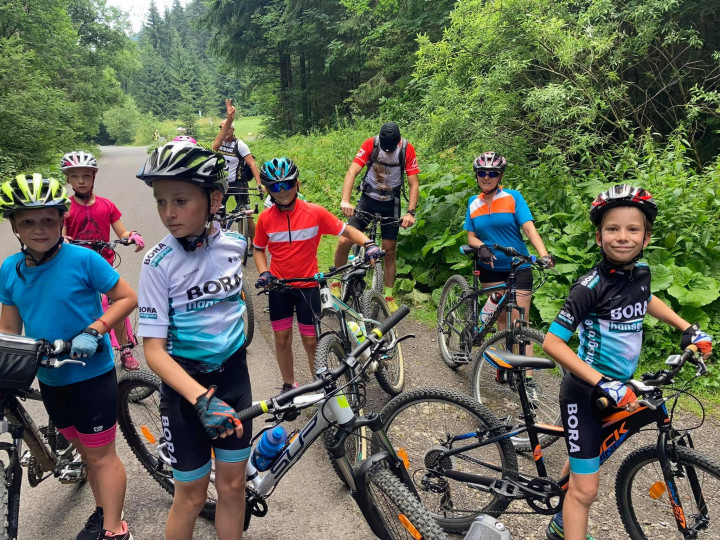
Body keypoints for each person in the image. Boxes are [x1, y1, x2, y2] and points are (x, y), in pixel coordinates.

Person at [542, 185, 713, 540]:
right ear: (598, 236)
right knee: (586, 492)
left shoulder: (641, 273)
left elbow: (645, 299)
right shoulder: (589, 287)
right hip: (585, 393)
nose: (623, 237)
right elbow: (552, 342)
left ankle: (561, 517)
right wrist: (603, 382)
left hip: (620, 387)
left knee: (587, 456)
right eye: (613, 229)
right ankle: (566, 520)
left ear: (646, 237)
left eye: (633, 229)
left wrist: (687, 328)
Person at [0, 174, 136, 540]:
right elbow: (9, 329)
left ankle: (115, 530)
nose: (39, 229)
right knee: (85, 452)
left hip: (91, 375)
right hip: (51, 379)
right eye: (28, 221)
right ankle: (103, 511)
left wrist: (95, 331)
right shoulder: (9, 270)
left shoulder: (84, 260)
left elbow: (127, 298)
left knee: (102, 456)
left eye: (48, 219)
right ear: (14, 226)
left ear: (62, 219)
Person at [135, 141, 251, 540]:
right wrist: (201, 398)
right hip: (186, 391)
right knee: (191, 497)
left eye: (181, 201)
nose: (168, 213)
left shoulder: (235, 246)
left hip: (234, 378)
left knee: (234, 487)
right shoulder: (157, 264)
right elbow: (153, 351)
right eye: (161, 201)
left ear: (214, 199)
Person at [253, 157, 381, 392]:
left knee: (311, 341)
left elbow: (347, 230)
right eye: (274, 186)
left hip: (309, 286)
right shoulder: (265, 219)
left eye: (286, 184)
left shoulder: (314, 212)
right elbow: (258, 248)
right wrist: (264, 272)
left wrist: (369, 243)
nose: (281, 191)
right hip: (280, 287)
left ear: (297, 183)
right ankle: (289, 385)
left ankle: (320, 387)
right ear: (268, 190)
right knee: (282, 339)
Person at [464, 151, 554, 393]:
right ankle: (506, 365)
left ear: (500, 176)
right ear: (477, 175)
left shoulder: (513, 197)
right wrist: (481, 247)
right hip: (490, 269)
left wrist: (544, 255)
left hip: (519, 266)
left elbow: (529, 228)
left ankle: (528, 379)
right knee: (501, 320)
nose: (487, 177)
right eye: (482, 173)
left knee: (519, 322)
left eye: (492, 173)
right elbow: (471, 236)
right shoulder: (473, 202)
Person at [60, 150, 145, 371]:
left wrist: (132, 236)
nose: (81, 181)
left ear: (93, 177)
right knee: (76, 303)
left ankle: (125, 348)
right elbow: (61, 235)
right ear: (68, 179)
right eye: (75, 176)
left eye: (86, 176)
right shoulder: (65, 208)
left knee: (116, 302)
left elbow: (121, 232)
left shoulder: (106, 205)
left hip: (103, 265)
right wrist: (63, 239)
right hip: (75, 266)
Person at [333, 122, 420, 311]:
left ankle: (388, 295)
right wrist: (345, 200)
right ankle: (336, 282)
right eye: (385, 147)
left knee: (389, 250)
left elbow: (414, 184)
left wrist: (410, 213)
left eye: (391, 148)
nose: (387, 151)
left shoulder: (406, 149)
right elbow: (352, 172)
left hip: (391, 202)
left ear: (398, 142)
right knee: (344, 240)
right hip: (368, 199)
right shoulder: (370, 145)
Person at [212, 99, 263, 248]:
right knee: (217, 212)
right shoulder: (219, 143)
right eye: (221, 128)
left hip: (238, 182)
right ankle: (218, 239)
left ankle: (255, 244)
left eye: (226, 128)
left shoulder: (240, 145)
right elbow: (213, 150)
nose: (223, 131)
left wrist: (259, 184)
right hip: (222, 182)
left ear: (232, 130)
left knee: (247, 213)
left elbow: (252, 164)